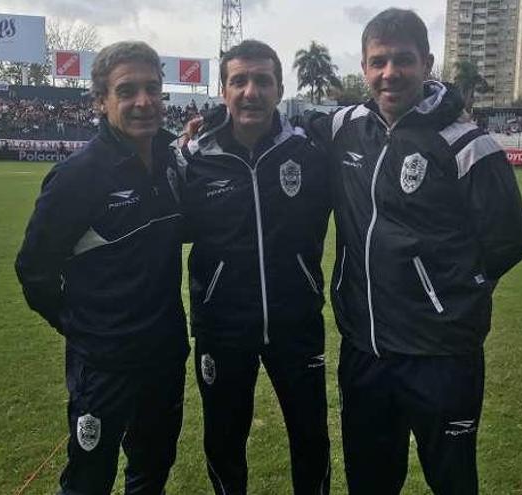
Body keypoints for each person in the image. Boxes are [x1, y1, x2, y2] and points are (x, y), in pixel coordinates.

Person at [304, 8, 522, 494]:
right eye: (378, 61)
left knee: (452, 482)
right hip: (365, 351)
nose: (390, 73)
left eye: (402, 60)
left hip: (441, 356)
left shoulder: (468, 143)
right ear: (364, 68)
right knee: (369, 482)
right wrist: (208, 129)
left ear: (427, 63)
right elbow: (279, 132)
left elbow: (510, 241)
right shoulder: (345, 127)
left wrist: (451, 297)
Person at [14, 41, 188, 495]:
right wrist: (83, 326)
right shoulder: (78, 175)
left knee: (151, 471)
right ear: (100, 100)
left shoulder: (173, 160)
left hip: (165, 355)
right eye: (127, 91)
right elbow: (34, 270)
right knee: (89, 480)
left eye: (152, 88)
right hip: (104, 364)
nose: (143, 102)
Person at [178, 39, 332, 495]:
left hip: (297, 324)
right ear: (223, 90)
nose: (251, 92)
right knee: (224, 441)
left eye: (262, 81)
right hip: (221, 329)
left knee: (311, 439)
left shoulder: (309, 151)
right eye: (239, 81)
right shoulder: (192, 159)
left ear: (280, 88)